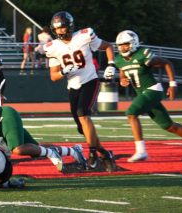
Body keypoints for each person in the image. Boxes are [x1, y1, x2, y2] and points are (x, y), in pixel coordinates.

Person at [45, 11, 116, 172]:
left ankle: (92, 154)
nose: (59, 31)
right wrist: (63, 71)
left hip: (90, 79)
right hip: (73, 86)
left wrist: (111, 64)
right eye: (56, 29)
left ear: (69, 26)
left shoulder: (84, 35)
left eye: (62, 27)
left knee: (83, 113)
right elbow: (53, 76)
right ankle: (104, 152)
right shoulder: (53, 47)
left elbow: (108, 46)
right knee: (81, 126)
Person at [107, 30, 182, 162]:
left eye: (126, 44)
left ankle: (141, 151)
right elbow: (123, 73)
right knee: (169, 126)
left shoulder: (142, 54)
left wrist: (173, 84)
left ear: (133, 43)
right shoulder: (118, 60)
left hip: (153, 90)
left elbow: (166, 63)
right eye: (120, 45)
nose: (123, 47)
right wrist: (123, 80)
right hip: (143, 94)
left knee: (131, 113)